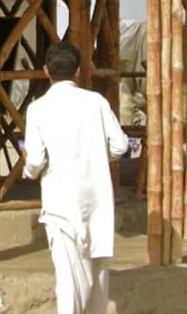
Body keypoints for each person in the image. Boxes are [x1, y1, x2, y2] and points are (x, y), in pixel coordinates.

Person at [23, 42, 129, 314]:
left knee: (69, 280)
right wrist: (94, 157)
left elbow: (35, 160)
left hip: (61, 204)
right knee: (98, 277)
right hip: (98, 201)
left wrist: (30, 172)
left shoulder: (38, 108)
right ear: (78, 71)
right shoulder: (97, 102)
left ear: (46, 71)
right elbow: (120, 145)